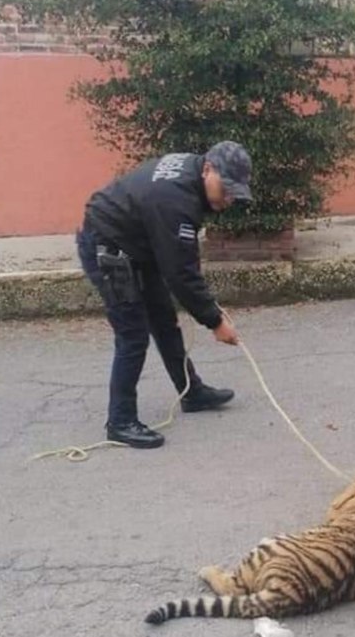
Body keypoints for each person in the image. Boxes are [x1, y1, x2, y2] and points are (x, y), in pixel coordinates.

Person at [76, 140, 253, 449]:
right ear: (208, 169)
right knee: (133, 334)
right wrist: (214, 321)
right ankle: (120, 421)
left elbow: (181, 259)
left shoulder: (192, 176)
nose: (228, 199)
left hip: (137, 243)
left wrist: (208, 305)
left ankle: (191, 393)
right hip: (107, 244)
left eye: (234, 193)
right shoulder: (176, 200)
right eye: (225, 189)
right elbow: (180, 274)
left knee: (164, 320)